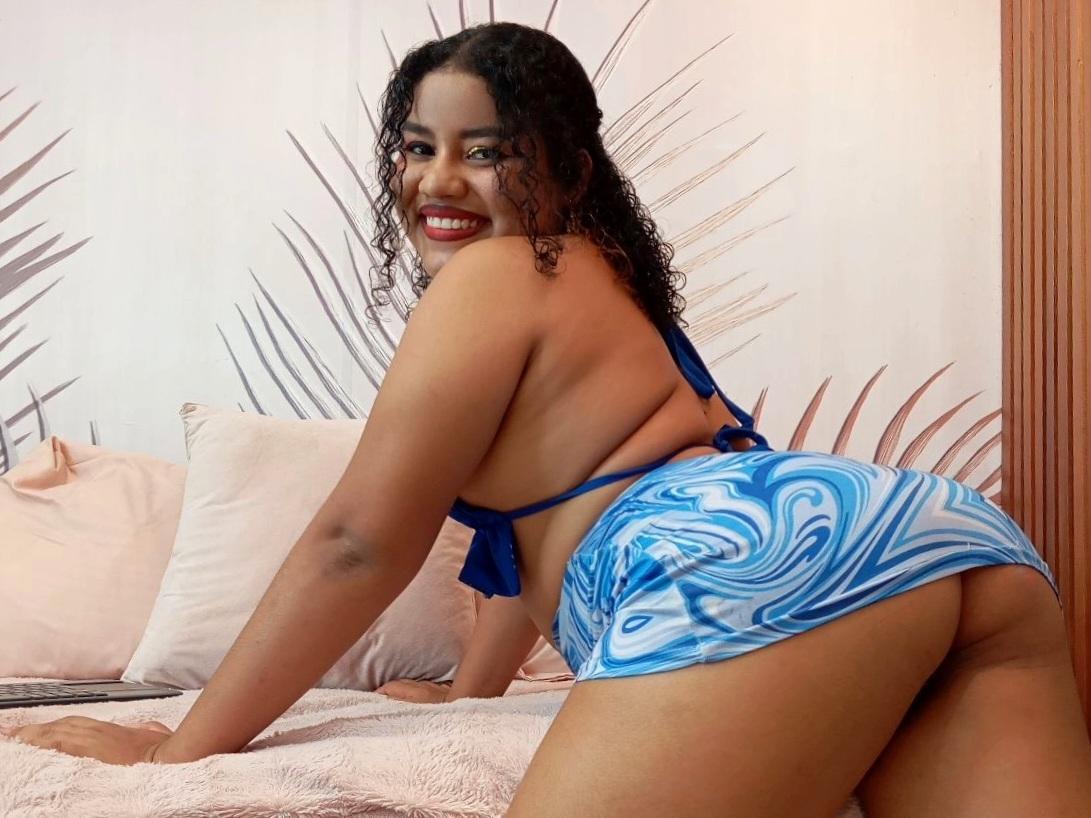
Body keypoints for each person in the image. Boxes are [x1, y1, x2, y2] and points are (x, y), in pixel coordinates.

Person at [5, 22, 1090, 818]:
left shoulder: (495, 276)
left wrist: (176, 749)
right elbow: (548, 533)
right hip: (948, 542)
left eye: (485, 151)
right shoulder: (615, 293)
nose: (438, 179)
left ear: (566, 172)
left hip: (748, 552)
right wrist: (468, 694)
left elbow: (358, 541)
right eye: (416, 146)